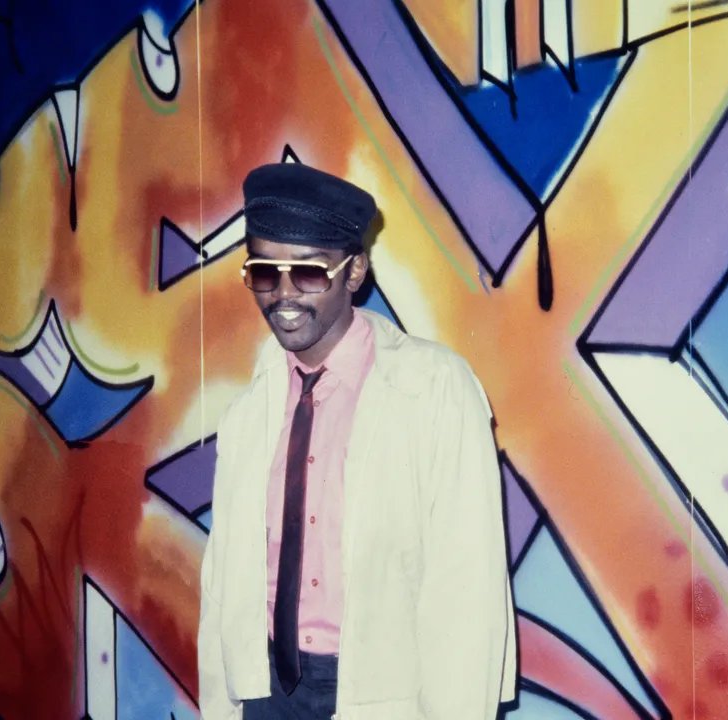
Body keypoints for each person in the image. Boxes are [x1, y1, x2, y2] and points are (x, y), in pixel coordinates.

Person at [198, 162, 516, 719]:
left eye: (308, 273)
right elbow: (221, 583)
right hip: (264, 688)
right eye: (265, 272)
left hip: (380, 694)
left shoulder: (434, 390)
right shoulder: (248, 413)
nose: (283, 295)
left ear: (354, 271)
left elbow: (467, 591)